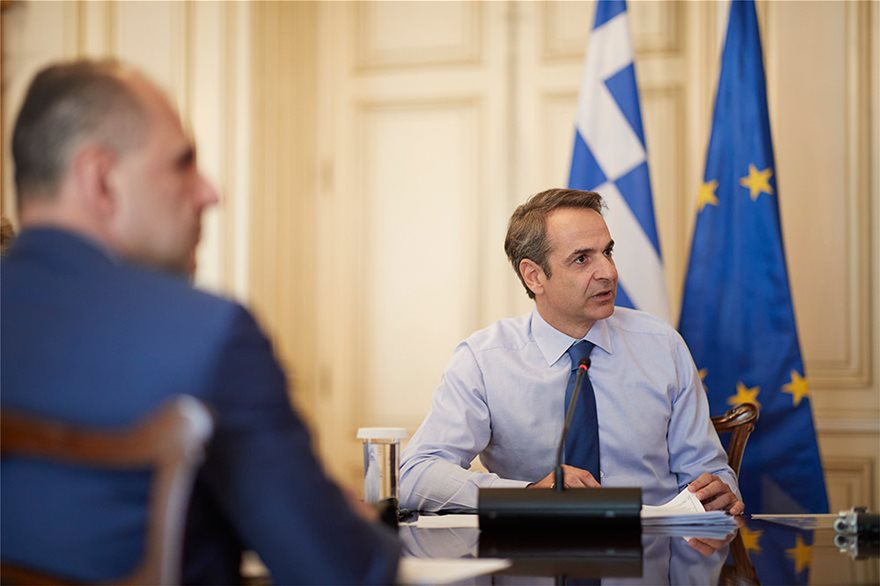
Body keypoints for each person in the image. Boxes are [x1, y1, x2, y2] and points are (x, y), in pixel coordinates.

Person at [0, 60, 399, 584]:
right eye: (182, 164)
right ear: (101, 181)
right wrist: (346, 519)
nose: (211, 192)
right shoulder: (210, 337)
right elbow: (343, 574)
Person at [399, 188, 743, 516]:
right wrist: (528, 495)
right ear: (534, 276)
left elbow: (708, 471)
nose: (608, 272)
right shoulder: (484, 359)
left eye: (607, 252)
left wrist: (720, 489)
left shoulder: (662, 345)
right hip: (534, 553)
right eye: (581, 259)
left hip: (653, 546)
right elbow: (415, 475)